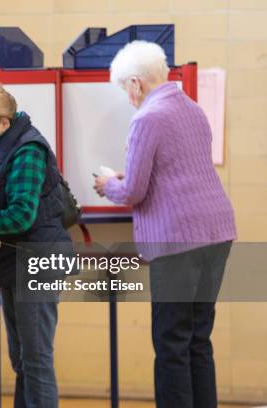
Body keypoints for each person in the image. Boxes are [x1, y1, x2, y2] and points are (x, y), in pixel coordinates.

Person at [93, 41, 237, 408]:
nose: (127, 97)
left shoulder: (147, 117)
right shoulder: (191, 107)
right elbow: (178, 170)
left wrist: (108, 183)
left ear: (136, 83)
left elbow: (134, 191)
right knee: (198, 338)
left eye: (125, 88)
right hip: (216, 232)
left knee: (171, 342)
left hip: (177, 239)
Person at [0, 80, 71, 408]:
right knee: (23, 360)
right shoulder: (3, 146)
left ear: (3, 123)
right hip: (15, 261)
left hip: (37, 260)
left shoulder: (28, 149)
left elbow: (20, 217)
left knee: (36, 359)